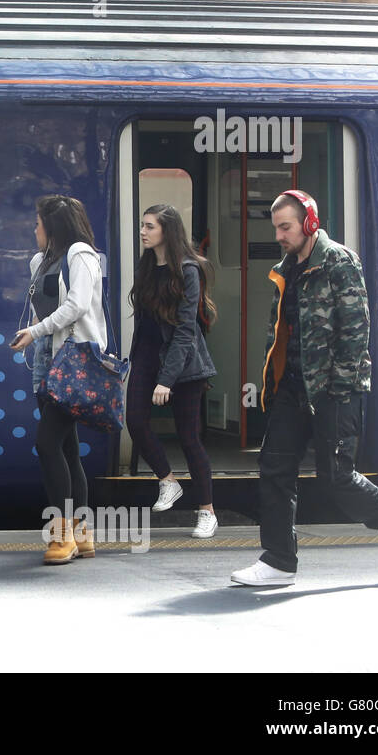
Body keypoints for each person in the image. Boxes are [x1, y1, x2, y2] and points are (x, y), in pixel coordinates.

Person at [231, 190, 378, 586]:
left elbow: (356, 331)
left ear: (309, 223)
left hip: (334, 390)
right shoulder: (285, 266)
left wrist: (340, 385)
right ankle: (279, 562)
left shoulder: (338, 261)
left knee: (336, 475)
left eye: (286, 227)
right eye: (276, 228)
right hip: (291, 387)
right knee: (274, 468)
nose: (279, 235)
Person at [10, 195, 107, 564]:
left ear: (53, 226)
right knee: (67, 449)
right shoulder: (40, 261)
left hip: (74, 361)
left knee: (47, 444)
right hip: (46, 360)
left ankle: (62, 535)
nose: (34, 228)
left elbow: (78, 305)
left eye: (38, 222)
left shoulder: (80, 254)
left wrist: (34, 331)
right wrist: (33, 339)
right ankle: (82, 535)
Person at [126, 204, 220, 538]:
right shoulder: (147, 265)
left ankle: (206, 511)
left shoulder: (188, 270)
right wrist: (133, 362)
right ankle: (168, 480)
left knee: (188, 436)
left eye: (149, 226)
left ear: (167, 231)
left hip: (183, 363)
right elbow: (144, 322)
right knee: (135, 421)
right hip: (147, 357)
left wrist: (166, 379)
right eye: (142, 226)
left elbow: (185, 331)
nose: (143, 232)